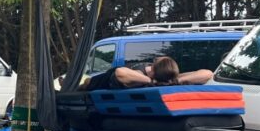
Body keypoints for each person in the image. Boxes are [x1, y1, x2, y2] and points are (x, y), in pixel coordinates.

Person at [80, 56, 212, 91]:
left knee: (87, 82)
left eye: (154, 62)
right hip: (102, 78)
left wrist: (177, 80)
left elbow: (120, 72)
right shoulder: (165, 79)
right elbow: (207, 73)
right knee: (85, 82)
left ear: (154, 70)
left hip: (101, 81)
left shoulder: (137, 78)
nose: (149, 65)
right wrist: (176, 80)